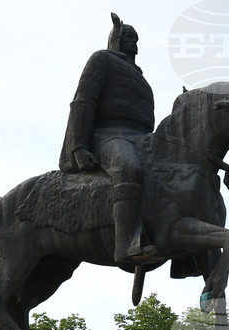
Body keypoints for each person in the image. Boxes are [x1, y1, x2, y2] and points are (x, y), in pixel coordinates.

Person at [59, 12, 156, 263]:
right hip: (108, 136)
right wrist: (78, 146)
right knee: (129, 167)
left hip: (142, 140)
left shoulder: (143, 81)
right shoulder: (102, 59)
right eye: (128, 36)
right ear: (115, 38)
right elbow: (83, 101)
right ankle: (125, 244)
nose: (133, 41)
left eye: (136, 38)